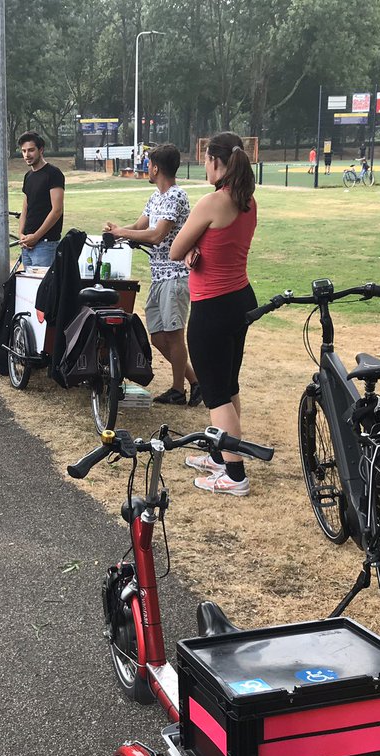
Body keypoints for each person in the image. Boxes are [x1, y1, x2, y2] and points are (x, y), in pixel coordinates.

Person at [169, 131, 258, 497]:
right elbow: (218, 246)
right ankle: (222, 457)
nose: (204, 166)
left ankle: (234, 475)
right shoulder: (248, 201)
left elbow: (175, 249)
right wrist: (197, 251)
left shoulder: (211, 202)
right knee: (229, 383)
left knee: (216, 393)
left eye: (206, 160)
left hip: (214, 306)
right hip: (240, 300)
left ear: (217, 163)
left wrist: (190, 251)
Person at [103, 143, 201, 407]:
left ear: (156, 167)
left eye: (148, 164)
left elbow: (156, 235)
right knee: (157, 335)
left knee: (174, 334)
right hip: (159, 276)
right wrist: (118, 229)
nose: (147, 168)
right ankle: (195, 381)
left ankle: (178, 390)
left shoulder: (176, 196)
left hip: (175, 275)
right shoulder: (155, 197)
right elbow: (139, 226)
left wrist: (123, 233)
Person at [17, 131, 65, 269]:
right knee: (29, 288)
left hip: (45, 244)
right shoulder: (28, 176)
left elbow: (57, 210)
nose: (27, 155)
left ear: (41, 150)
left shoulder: (53, 174)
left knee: (43, 289)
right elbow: (25, 209)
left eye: (31, 150)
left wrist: (36, 236)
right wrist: (21, 234)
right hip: (27, 244)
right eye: (24, 151)